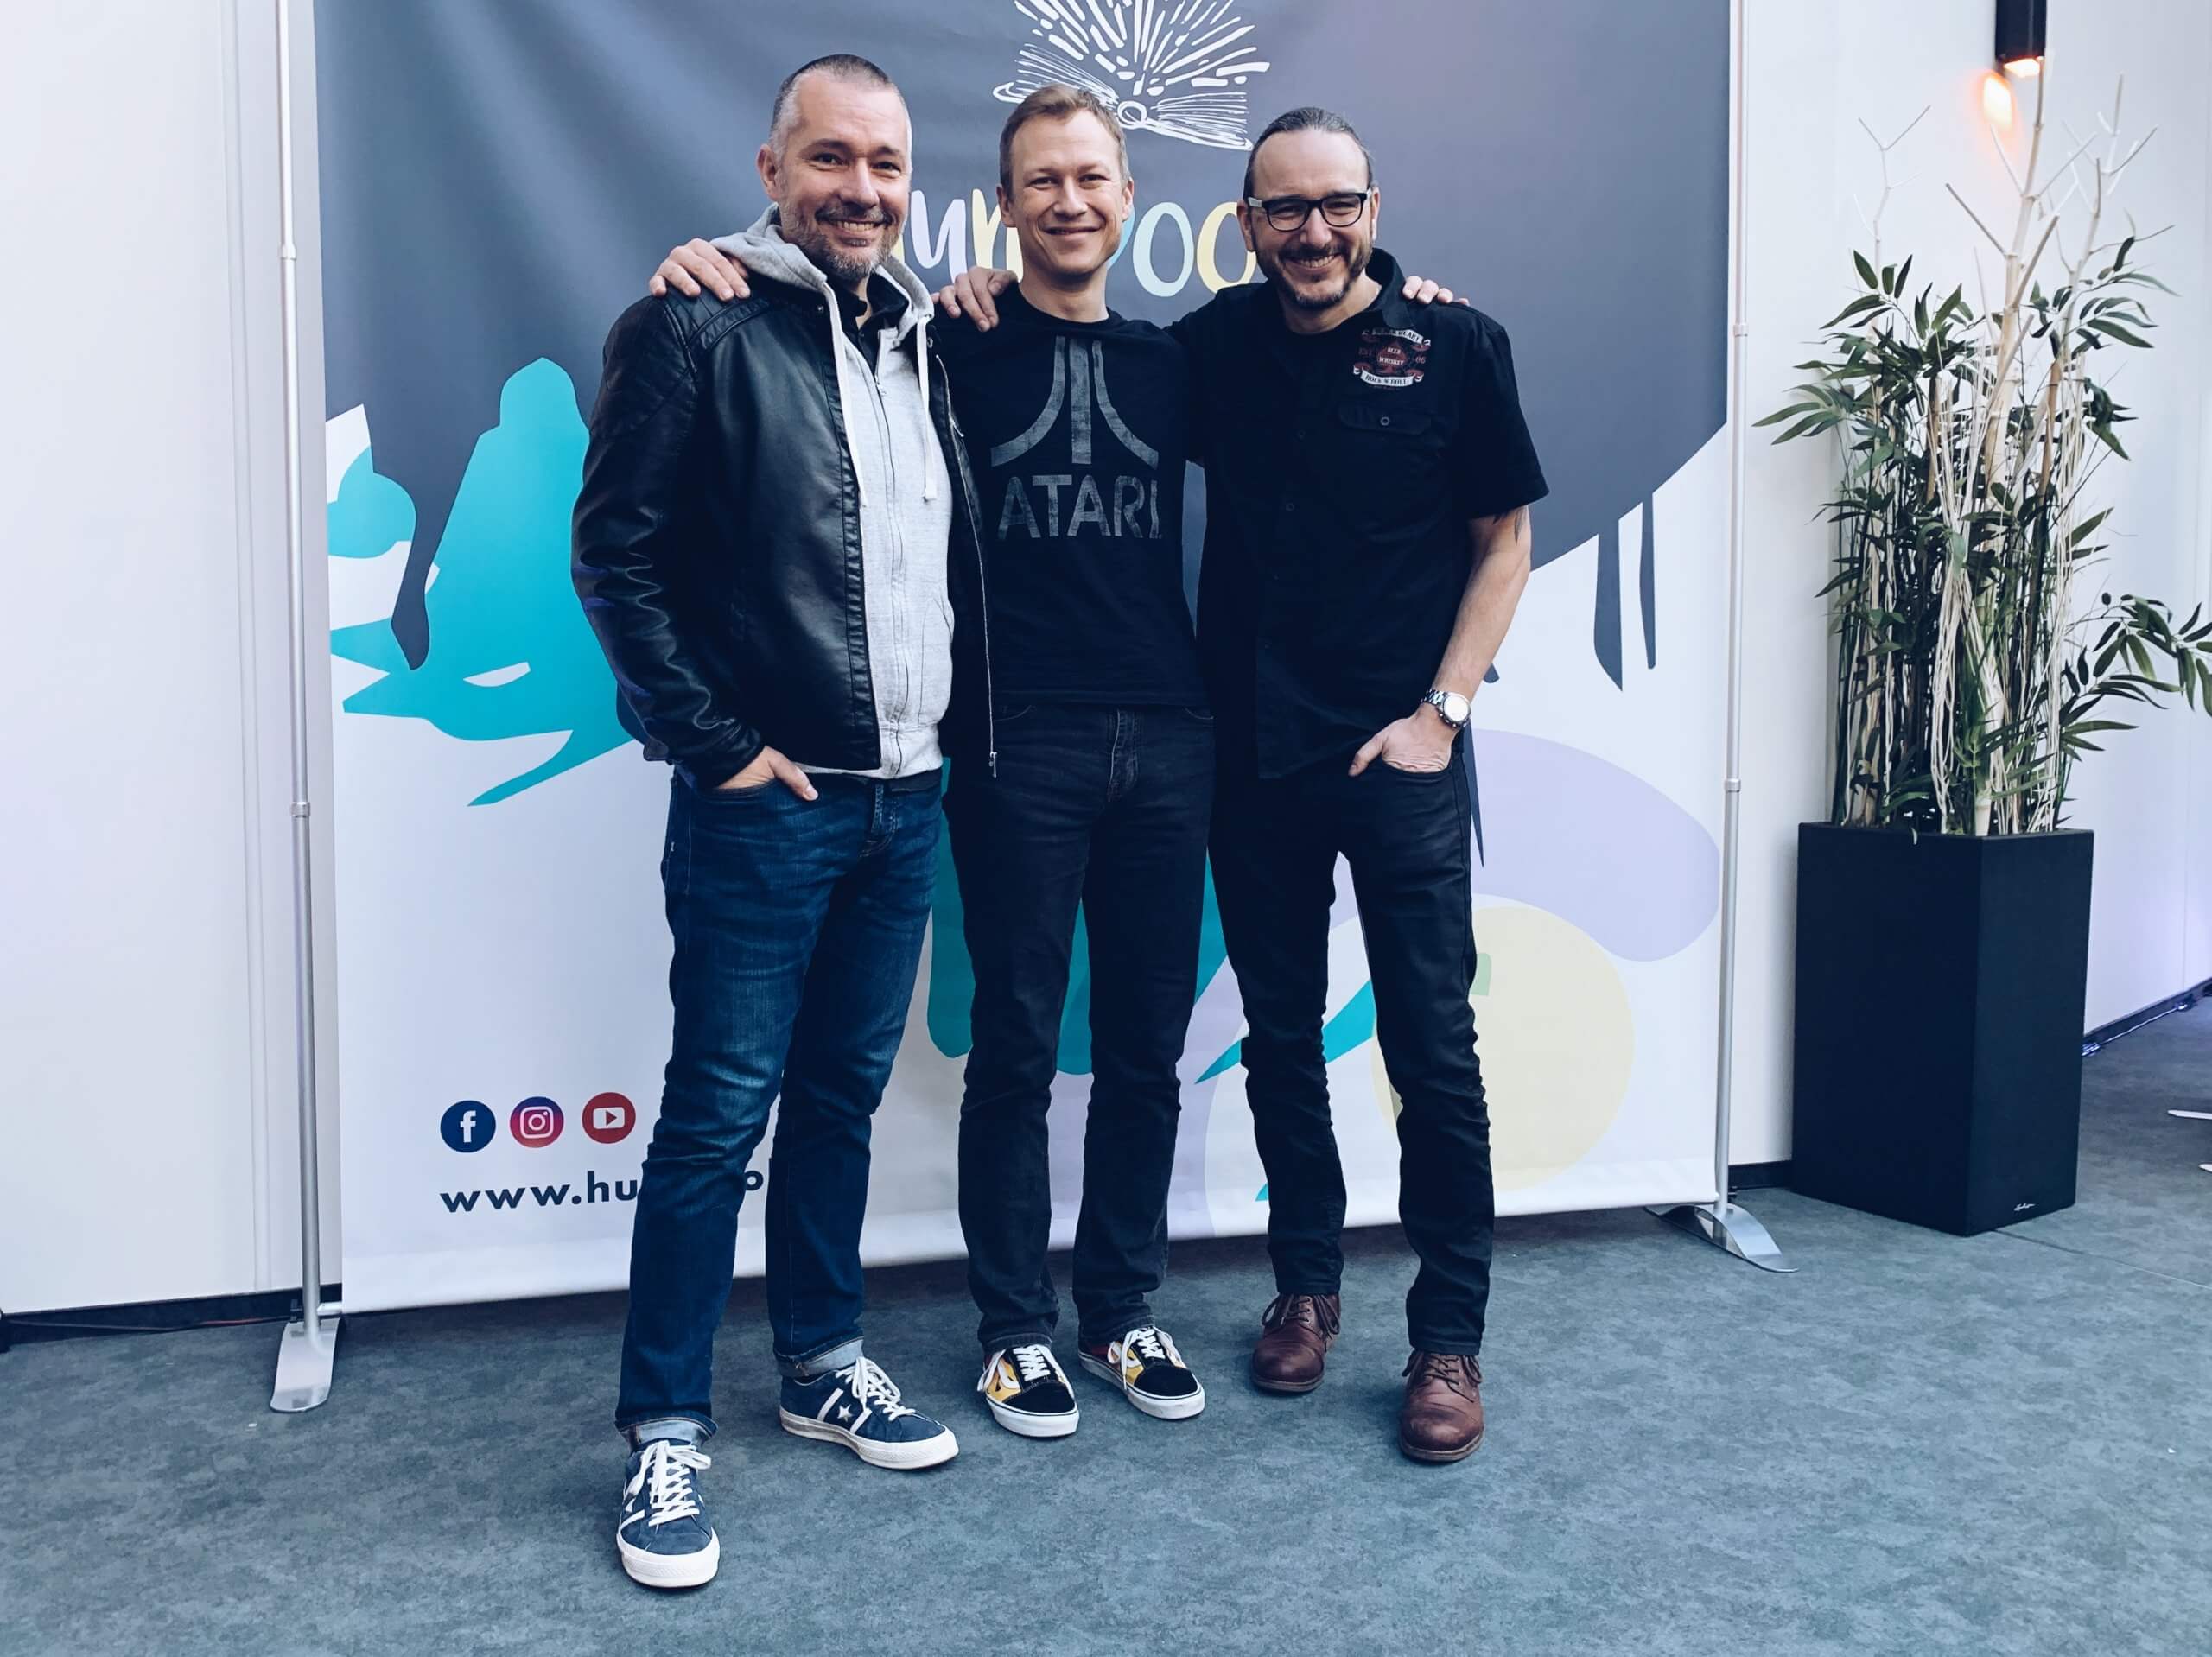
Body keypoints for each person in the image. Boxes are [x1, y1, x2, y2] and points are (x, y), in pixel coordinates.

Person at [650, 88, 1465, 1448]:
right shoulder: (942, 341)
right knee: (1018, 1043)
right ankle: (1014, 1325)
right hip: (1014, 742)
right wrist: (700, 259)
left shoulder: (1182, 360)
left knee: (1146, 1046)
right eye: (1043, 180)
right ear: (1005, 205)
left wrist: (1409, 289)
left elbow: (1325, 323)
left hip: (1176, 739)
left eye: (1093, 177)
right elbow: (800, 325)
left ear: (1130, 197)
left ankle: (1121, 1305)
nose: (1071, 200)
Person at [941, 106, 1547, 1464]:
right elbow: (1055, 337)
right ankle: (1305, 1288)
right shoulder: (1202, 350)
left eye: (1338, 205)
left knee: (1434, 1050)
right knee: (1277, 1036)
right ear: (1246, 224)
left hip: (1398, 754)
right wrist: (974, 290)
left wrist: (1443, 713)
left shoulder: (1456, 344)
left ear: (1375, 209)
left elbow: (1503, 539)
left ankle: (1449, 1338)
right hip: (1249, 753)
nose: (1314, 231)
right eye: (1286, 209)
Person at [572, 54, 988, 1590]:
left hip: (907, 796)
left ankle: (820, 1361)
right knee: (714, 1119)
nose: (861, 189)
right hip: (770, 804)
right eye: (831, 158)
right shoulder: (691, 324)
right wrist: (721, 745)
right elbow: (614, 558)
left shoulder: (925, 336)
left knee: (839, 1102)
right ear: (770, 168)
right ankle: (666, 1428)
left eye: (885, 164)